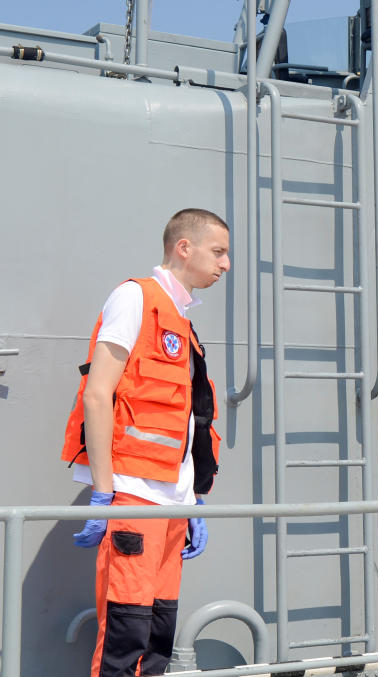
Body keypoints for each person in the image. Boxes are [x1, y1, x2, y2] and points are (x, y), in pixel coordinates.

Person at [61, 208, 230, 677]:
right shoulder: (136, 298)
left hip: (171, 502)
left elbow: (188, 420)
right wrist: (102, 491)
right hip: (134, 494)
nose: (225, 264)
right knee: (125, 636)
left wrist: (192, 500)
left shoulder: (181, 320)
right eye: (218, 252)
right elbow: (98, 393)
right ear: (184, 248)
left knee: (157, 636)